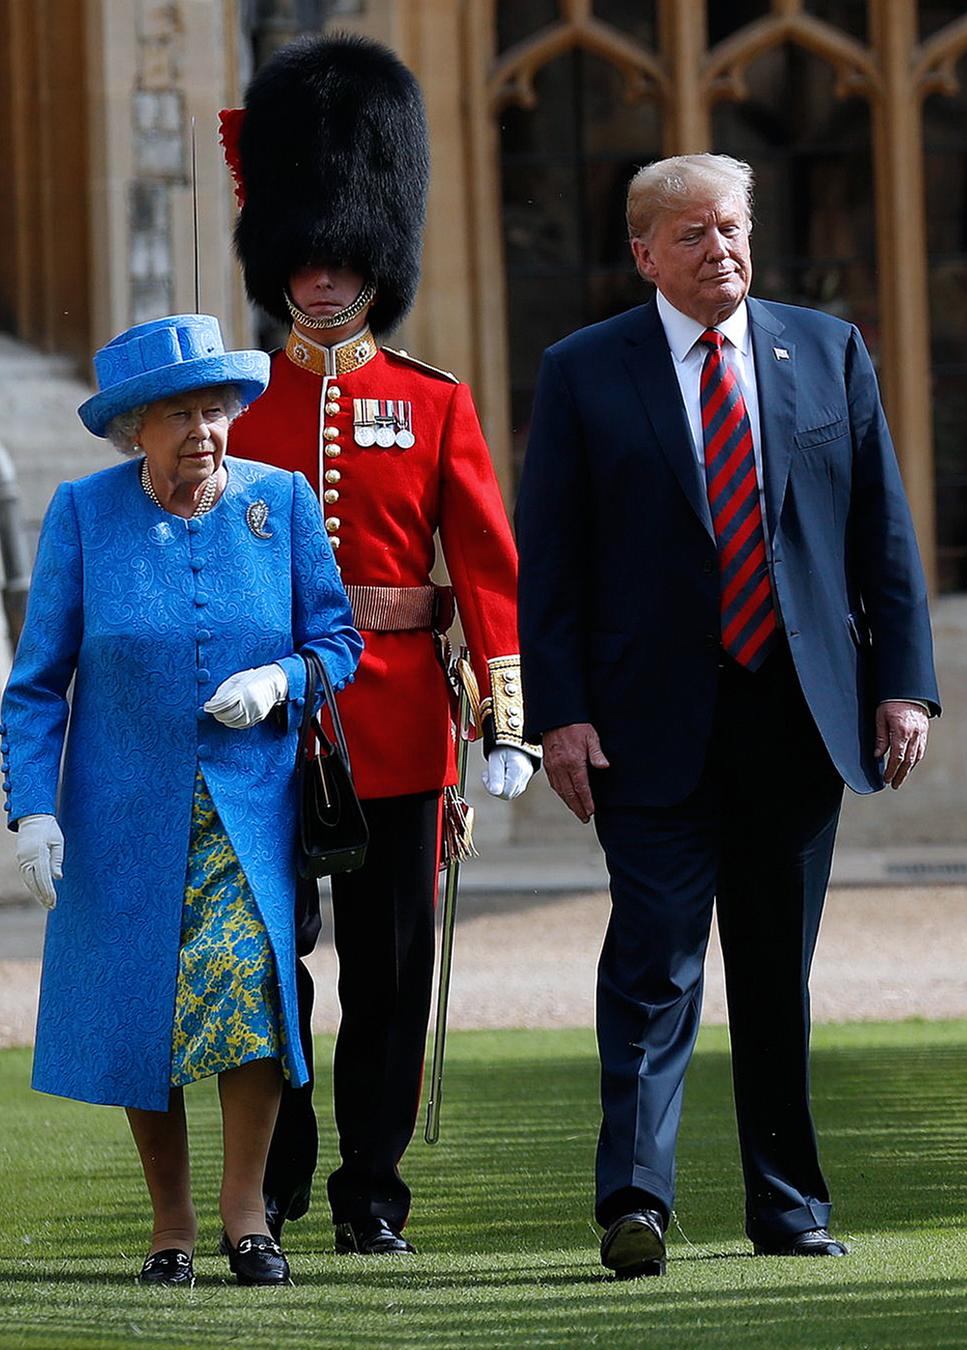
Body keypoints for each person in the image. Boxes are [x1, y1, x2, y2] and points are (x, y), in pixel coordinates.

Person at [515, 152, 939, 1278]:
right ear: (645, 253)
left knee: (772, 976)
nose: (723, 252)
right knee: (653, 967)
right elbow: (548, 567)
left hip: (798, 721)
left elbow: (879, 535)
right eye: (694, 235)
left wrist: (903, 683)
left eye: (735, 228)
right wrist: (556, 714)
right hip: (647, 725)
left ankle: (789, 1206)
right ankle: (636, 1201)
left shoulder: (828, 350)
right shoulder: (583, 372)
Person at [221, 32, 537, 1257]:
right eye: (303, 258)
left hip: (402, 717)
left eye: (342, 257)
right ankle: (281, 1174)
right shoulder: (233, 401)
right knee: (265, 959)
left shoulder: (436, 399)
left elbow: (486, 562)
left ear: (377, 262)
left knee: (392, 972)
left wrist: (503, 709)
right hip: (259, 721)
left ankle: (372, 1186)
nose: (319, 278)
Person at [3, 313, 362, 1287]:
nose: (204, 430)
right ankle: (172, 1226)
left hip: (249, 808)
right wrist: (31, 809)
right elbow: (37, 682)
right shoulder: (84, 514)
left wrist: (282, 681)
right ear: (135, 431)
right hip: (121, 816)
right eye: (178, 414)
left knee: (248, 987)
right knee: (146, 1007)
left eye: (216, 408)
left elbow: (338, 644)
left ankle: (249, 1215)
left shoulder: (280, 503)